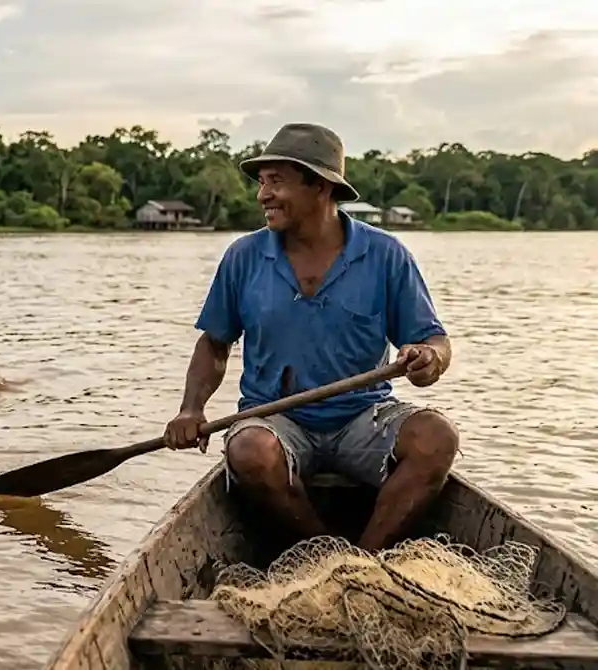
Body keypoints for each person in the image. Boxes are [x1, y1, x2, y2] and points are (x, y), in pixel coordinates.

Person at [162, 122, 458, 552]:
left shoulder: (385, 255)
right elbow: (214, 343)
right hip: (276, 418)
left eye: (276, 182)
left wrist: (428, 358)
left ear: (320, 187)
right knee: (249, 452)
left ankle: (366, 561)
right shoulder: (244, 257)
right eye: (262, 182)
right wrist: (191, 409)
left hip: (364, 418)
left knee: (438, 437)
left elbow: (434, 341)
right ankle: (324, 554)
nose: (263, 195)